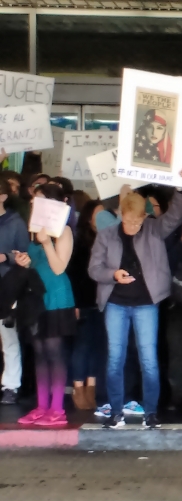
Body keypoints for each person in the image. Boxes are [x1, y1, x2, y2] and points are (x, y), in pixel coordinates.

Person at [88, 177, 182, 429]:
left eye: (138, 221)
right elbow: (93, 268)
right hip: (115, 302)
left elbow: (175, 216)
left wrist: (179, 188)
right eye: (129, 220)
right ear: (121, 214)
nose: (133, 225)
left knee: (149, 359)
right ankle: (116, 411)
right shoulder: (107, 235)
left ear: (145, 216)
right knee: (115, 358)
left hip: (146, 303)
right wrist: (113, 274)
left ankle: (151, 412)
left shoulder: (153, 229)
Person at [16, 184, 77, 427]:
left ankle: (57, 408)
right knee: (39, 353)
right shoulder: (33, 231)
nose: (34, 205)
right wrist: (24, 260)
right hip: (36, 298)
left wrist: (46, 243)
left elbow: (59, 267)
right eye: (33, 202)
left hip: (57, 297)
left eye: (39, 201)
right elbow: (36, 262)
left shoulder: (64, 231)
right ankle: (41, 406)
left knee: (54, 352)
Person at [67, 200, 106, 410]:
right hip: (82, 302)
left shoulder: (108, 239)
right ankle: (78, 387)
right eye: (97, 215)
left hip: (101, 301)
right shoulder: (79, 241)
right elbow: (72, 275)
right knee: (82, 346)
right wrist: (74, 303)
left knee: (97, 345)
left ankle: (91, 386)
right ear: (88, 217)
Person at [0, 175, 29, 405]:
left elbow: (25, 255)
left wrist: (6, 256)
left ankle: (11, 385)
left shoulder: (15, 222)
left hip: (7, 284)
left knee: (8, 337)